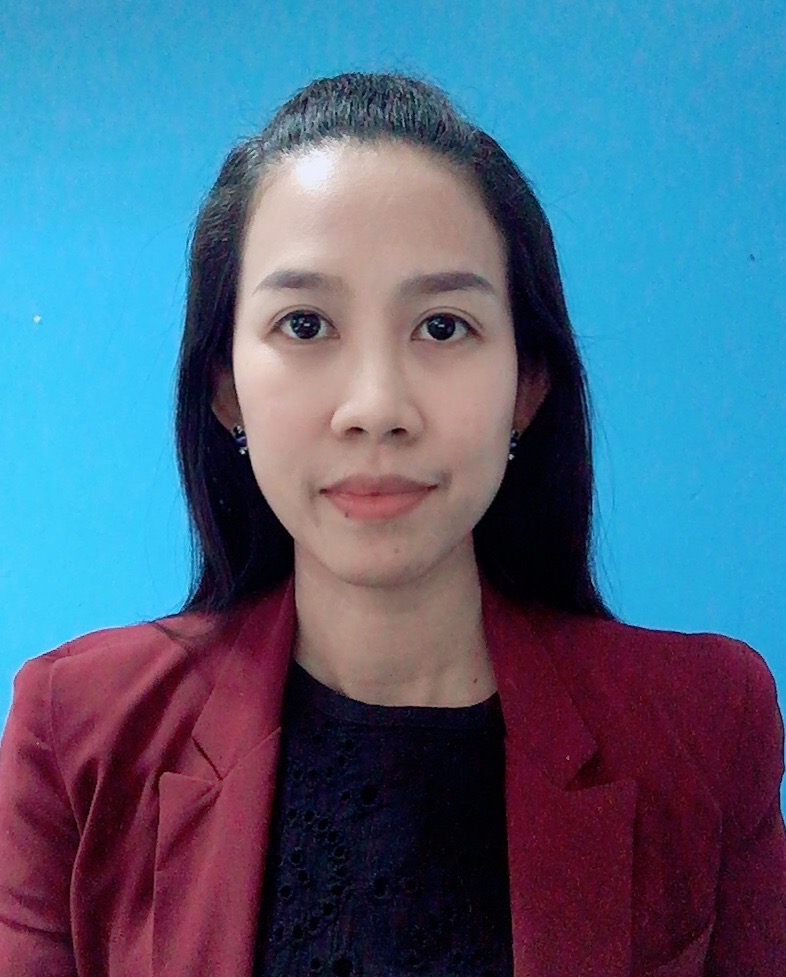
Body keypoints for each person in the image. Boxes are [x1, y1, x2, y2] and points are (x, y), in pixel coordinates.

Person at [0, 71, 783, 977]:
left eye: (443, 327)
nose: (376, 407)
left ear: (527, 385)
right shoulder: (78, 735)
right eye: (305, 324)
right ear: (225, 387)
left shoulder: (704, 726)